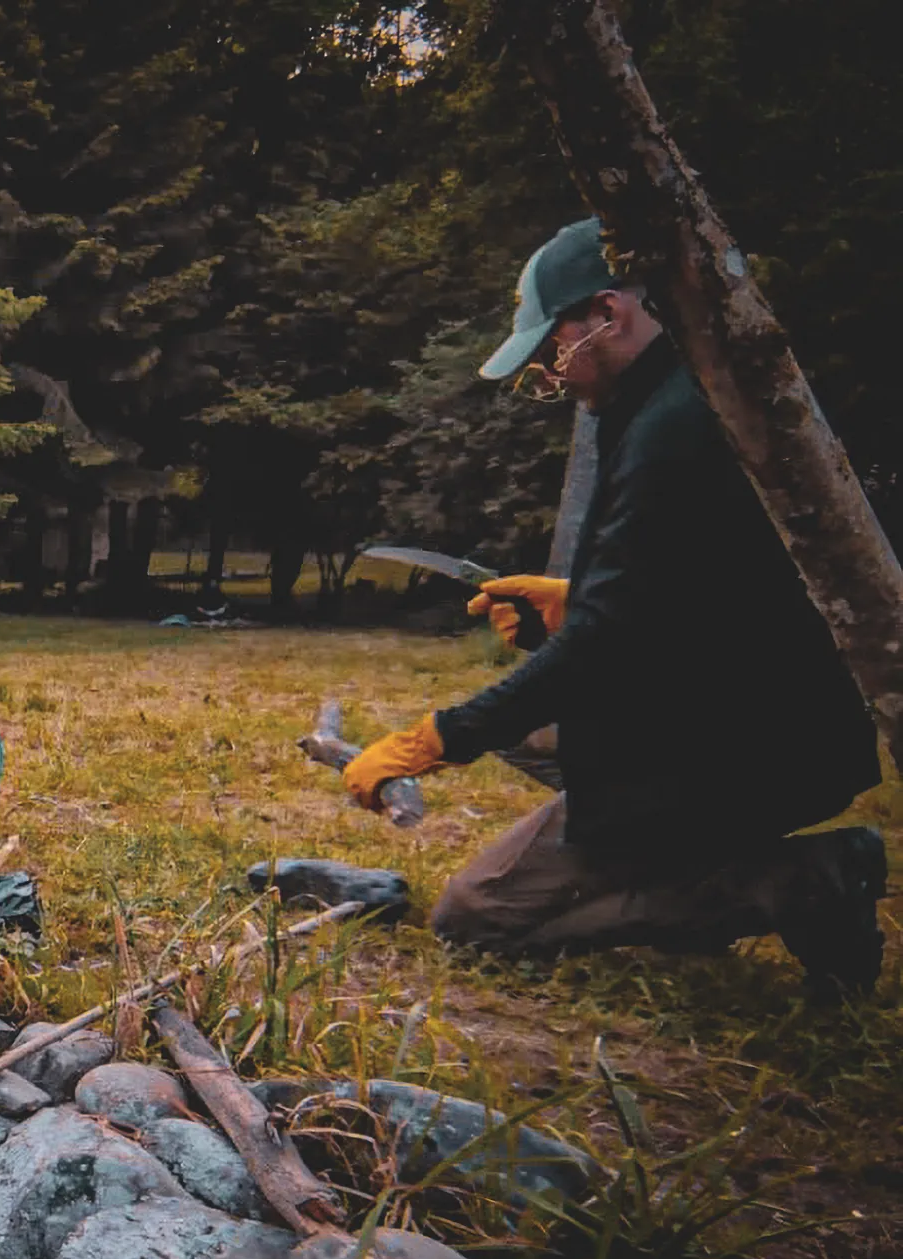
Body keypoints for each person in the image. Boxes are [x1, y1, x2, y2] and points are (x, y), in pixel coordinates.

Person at [343, 217, 886, 1002]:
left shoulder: (674, 426)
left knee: (476, 914)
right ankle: (690, 864)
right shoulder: (682, 397)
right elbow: (707, 594)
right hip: (758, 721)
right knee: (526, 731)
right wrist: (576, 604)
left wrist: (438, 739)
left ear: (608, 312)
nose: (552, 374)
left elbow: (607, 644)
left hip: (736, 752)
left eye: (552, 349)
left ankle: (800, 880)